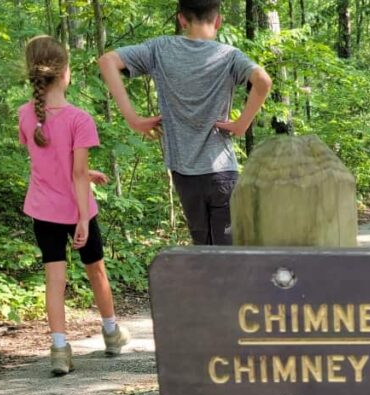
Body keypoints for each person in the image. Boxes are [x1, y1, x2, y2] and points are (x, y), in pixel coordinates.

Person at [98, 0, 272, 245]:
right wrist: (241, 124)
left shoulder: (160, 49)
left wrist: (134, 120)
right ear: (219, 20)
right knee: (230, 255)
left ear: (181, 19)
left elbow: (107, 61)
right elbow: (263, 81)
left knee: (204, 252)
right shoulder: (229, 56)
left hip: (185, 174)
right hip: (222, 171)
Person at [19, 36, 131, 376]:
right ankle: (111, 333)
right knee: (96, 270)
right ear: (64, 72)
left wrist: (84, 174)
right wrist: (82, 217)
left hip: (42, 210)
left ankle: (58, 349)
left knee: (54, 279)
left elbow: (45, 163)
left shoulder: (26, 115)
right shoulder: (78, 118)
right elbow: (77, 172)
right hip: (75, 210)